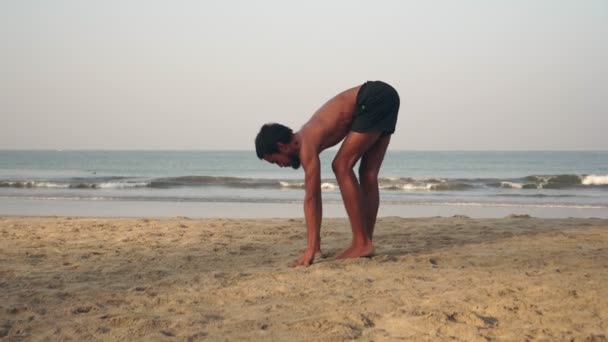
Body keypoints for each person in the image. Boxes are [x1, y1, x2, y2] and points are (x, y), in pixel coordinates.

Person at [255, 81, 400, 267]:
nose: (280, 166)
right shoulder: (309, 134)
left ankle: (361, 242)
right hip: (385, 96)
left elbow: (312, 199)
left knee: (341, 165)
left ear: (282, 146)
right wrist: (314, 246)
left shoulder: (306, 145)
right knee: (368, 173)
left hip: (371, 97)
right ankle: (365, 242)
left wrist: (310, 249)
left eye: (275, 161)